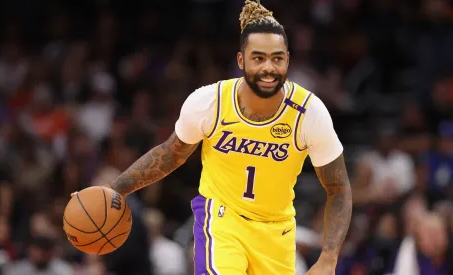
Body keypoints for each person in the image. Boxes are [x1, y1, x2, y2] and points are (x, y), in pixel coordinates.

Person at [75, 1, 352, 274]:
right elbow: (172, 153)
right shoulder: (210, 102)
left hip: (276, 230)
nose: (269, 67)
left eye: (277, 58)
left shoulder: (308, 112)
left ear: (288, 60)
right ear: (241, 60)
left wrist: (328, 257)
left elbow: (338, 189)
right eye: (258, 58)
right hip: (221, 220)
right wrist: (115, 189)